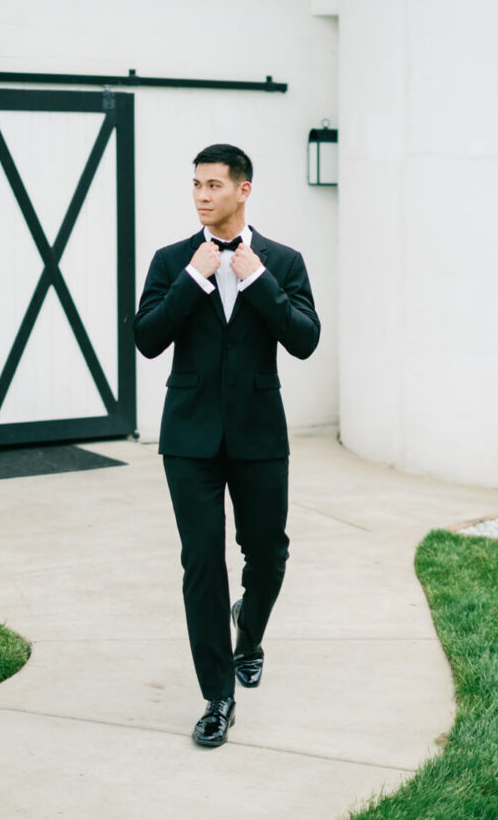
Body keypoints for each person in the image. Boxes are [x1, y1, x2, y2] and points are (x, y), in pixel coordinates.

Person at [134, 144, 320, 748]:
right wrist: (195, 278)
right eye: (195, 185)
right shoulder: (171, 261)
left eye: (213, 185)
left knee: (266, 554)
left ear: (243, 190)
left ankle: (252, 633)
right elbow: (148, 338)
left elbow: (303, 339)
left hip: (260, 434)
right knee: (202, 563)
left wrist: (257, 280)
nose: (201, 195)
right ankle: (218, 696)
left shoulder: (283, 262)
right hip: (189, 438)